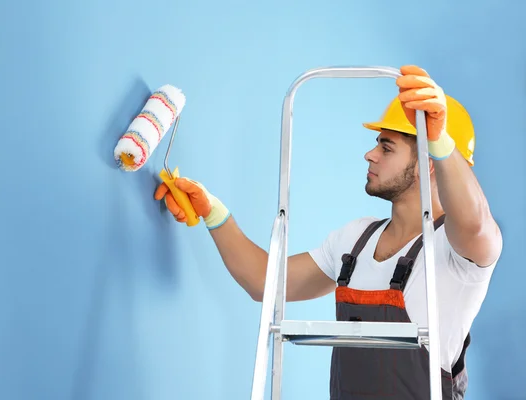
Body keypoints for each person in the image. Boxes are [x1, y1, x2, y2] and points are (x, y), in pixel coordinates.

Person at [154, 65, 503, 399]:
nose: (369, 154)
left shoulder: (457, 252)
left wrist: (440, 140)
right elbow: (264, 282)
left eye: (386, 146)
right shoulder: (355, 240)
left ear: (428, 161)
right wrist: (214, 212)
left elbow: (475, 221)